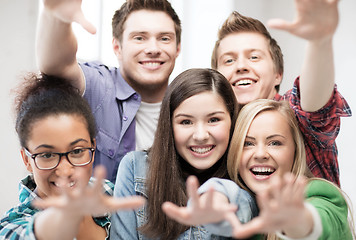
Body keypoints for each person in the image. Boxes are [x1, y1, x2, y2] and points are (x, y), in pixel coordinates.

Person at [163, 99, 355, 240]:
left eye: (275, 143)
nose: (260, 154)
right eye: (248, 143)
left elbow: (319, 220)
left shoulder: (322, 195)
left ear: (296, 151)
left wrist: (297, 221)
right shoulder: (245, 204)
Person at [35, 0, 182, 182]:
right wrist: (55, 18)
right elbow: (57, 64)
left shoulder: (187, 103)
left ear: (177, 48)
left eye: (164, 38)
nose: (153, 49)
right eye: (139, 38)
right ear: (117, 48)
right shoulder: (99, 86)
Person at [211, 0, 351, 186]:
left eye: (254, 57)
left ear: (278, 74)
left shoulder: (294, 115)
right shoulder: (217, 129)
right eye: (229, 60)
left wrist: (319, 42)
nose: (241, 66)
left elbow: (314, 106)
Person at [110, 68, 258, 239]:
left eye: (214, 120)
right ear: (169, 125)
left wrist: (220, 197)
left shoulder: (245, 174)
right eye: (186, 122)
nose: (201, 135)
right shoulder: (135, 167)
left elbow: (242, 204)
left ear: (232, 120)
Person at [0, 73, 145, 240]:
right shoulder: (10, 228)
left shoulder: (109, 192)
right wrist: (64, 217)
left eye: (77, 151)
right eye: (47, 155)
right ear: (26, 159)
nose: (65, 170)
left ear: (93, 146)